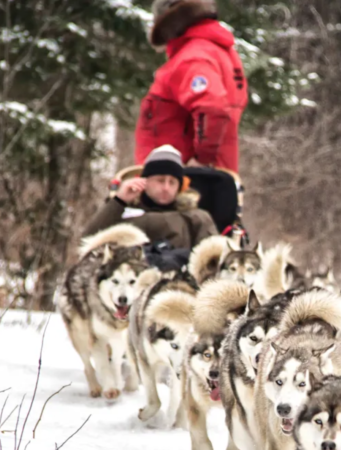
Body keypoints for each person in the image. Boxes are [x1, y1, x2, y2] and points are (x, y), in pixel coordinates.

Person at [136, 0, 248, 172]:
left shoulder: (192, 57)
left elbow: (212, 108)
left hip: (186, 181)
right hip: (206, 177)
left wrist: (201, 161)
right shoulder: (218, 52)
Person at [82, 145, 217, 258]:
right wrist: (119, 200)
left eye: (172, 182)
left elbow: (212, 258)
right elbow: (88, 241)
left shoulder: (195, 217)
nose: (166, 188)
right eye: (160, 180)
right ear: (145, 181)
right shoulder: (124, 211)